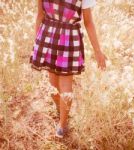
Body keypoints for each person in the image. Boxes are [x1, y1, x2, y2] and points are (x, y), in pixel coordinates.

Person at [29, 0, 107, 138]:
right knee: (53, 86)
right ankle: (61, 110)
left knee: (64, 84)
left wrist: (97, 51)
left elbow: (88, 22)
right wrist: (37, 41)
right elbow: (40, 15)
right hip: (50, 37)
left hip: (65, 38)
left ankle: (62, 123)